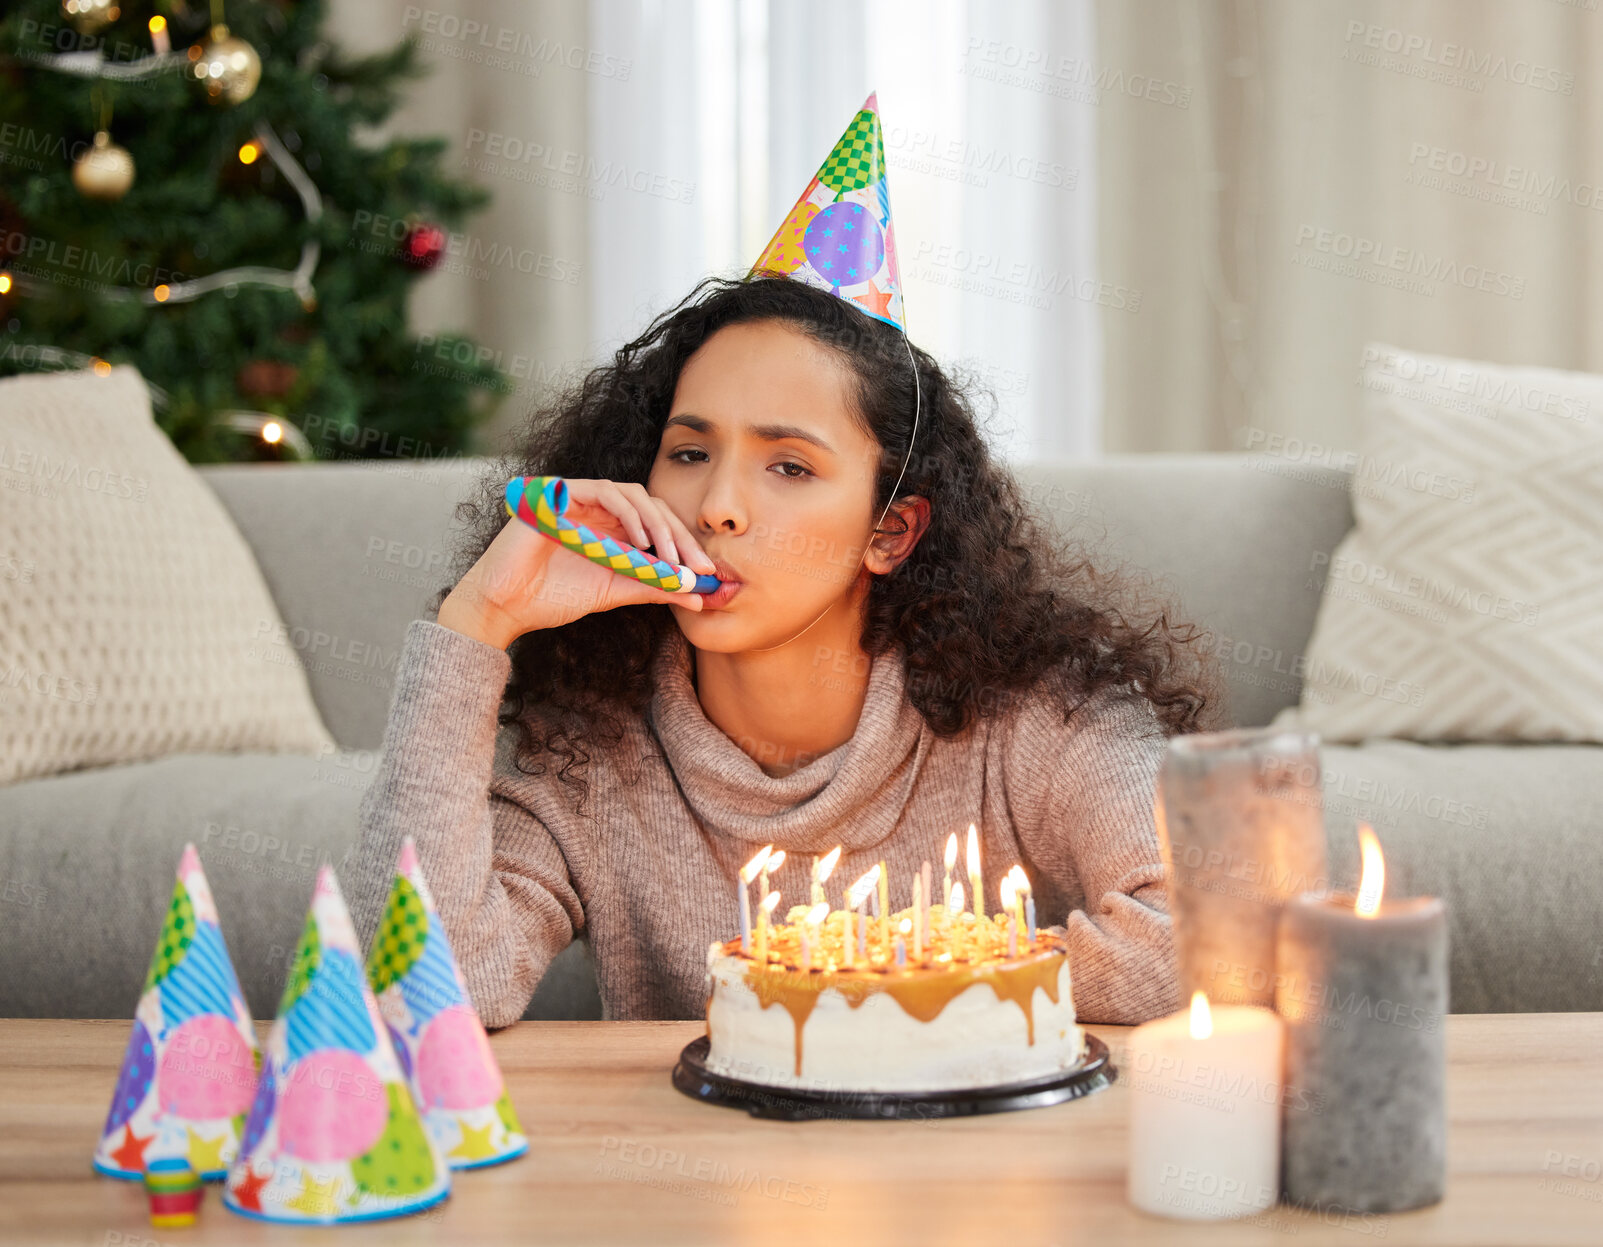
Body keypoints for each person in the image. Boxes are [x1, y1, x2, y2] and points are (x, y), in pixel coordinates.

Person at [345, 271, 1221, 1028]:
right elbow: (417, 994)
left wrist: (855, 988)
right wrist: (479, 620)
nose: (716, 505)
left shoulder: (1041, 711)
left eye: (789, 466)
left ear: (890, 530)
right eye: (688, 451)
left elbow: (1212, 935)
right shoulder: (587, 746)